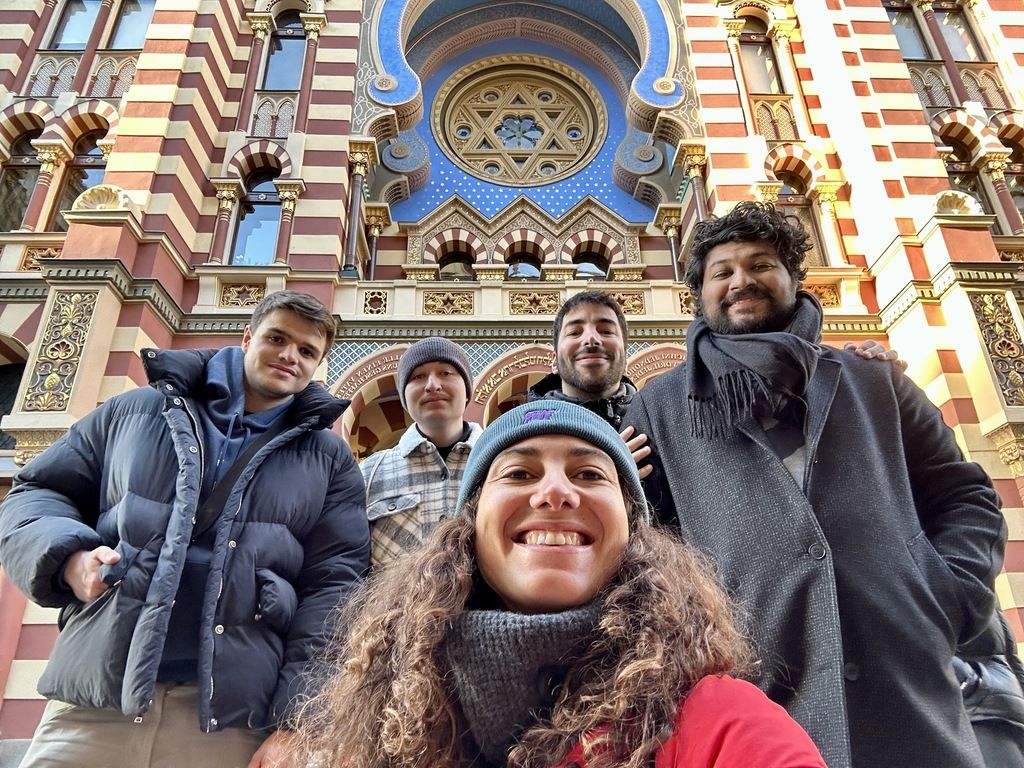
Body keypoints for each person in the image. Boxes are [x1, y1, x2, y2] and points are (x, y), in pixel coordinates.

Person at [625, 201, 1007, 768]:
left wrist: (947, 592)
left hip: (908, 685)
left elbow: (964, 494)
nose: (740, 281)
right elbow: (647, 550)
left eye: (760, 264)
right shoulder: (659, 406)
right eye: (721, 272)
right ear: (698, 294)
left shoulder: (874, 381)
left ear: (794, 278)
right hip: (757, 691)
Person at [294, 400, 828, 768]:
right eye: (519, 474)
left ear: (633, 531)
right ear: (469, 528)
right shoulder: (388, 721)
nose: (555, 492)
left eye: (590, 474)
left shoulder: (717, 718)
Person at [0, 290, 370, 768]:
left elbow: (334, 588)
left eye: (307, 351)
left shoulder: (329, 458)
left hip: (228, 721)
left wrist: (299, 719)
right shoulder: (134, 411)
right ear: (246, 337)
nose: (289, 356)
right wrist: (69, 558)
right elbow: (33, 492)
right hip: (95, 703)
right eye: (277, 338)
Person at [361, 336, 482, 568]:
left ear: (466, 390)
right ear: (404, 397)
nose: (432, 385)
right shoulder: (369, 474)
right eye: (418, 377)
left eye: (446, 373)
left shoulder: (501, 463)